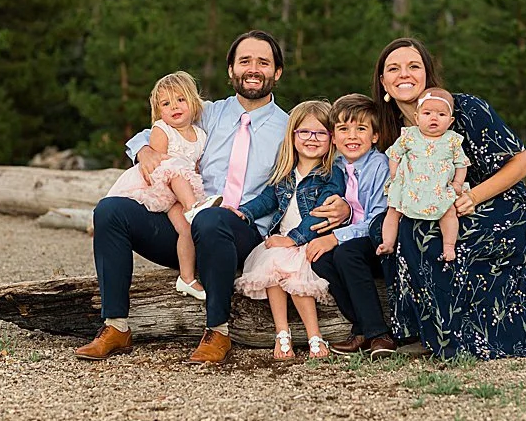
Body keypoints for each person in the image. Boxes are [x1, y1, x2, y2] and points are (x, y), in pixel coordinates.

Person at [79, 31, 349, 365]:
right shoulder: (208, 113)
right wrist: (143, 150)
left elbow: (327, 160)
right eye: (245, 61)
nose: (253, 69)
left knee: (212, 217)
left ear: (277, 72)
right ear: (231, 71)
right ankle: (115, 325)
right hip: (185, 232)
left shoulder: (288, 126)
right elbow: (157, 128)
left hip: (244, 236)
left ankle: (217, 331)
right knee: (110, 211)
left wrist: (344, 204)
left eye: (263, 62)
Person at [373, 38, 526, 359]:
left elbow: (525, 162)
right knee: (382, 230)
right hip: (434, 210)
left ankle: (456, 339)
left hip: (499, 208)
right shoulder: (392, 130)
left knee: (425, 233)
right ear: (383, 81)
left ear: (428, 74)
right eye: (393, 69)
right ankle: (416, 330)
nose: (404, 74)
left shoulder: (464, 110)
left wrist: (473, 196)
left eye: (414, 66)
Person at [235, 100, 344, 360]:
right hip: (281, 241)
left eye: (320, 133)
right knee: (272, 266)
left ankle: (314, 335)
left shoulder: (331, 174)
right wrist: (243, 212)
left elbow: (320, 214)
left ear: (331, 139)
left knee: (296, 279)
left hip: (308, 241)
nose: (312, 139)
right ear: (293, 135)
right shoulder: (285, 172)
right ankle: (282, 334)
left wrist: (293, 239)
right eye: (304, 132)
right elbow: (267, 200)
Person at [100, 73, 207, 299]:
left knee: (186, 229)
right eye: (166, 104)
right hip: (159, 186)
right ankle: (194, 206)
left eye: (180, 100)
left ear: (194, 103)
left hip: (178, 196)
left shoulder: (200, 135)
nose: (174, 107)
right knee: (174, 168)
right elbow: (158, 165)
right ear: (159, 111)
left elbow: (196, 168)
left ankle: (186, 278)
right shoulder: (162, 129)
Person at [315, 93, 395, 355]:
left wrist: (337, 237)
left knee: (346, 252)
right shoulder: (332, 165)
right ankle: (360, 328)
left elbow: (378, 219)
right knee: (321, 259)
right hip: (348, 244)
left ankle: (379, 333)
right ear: (333, 136)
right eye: (343, 129)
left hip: (379, 242)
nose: (352, 136)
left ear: (374, 136)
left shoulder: (379, 165)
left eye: (361, 129)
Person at [379, 88, 469, 263]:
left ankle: (449, 245)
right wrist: (395, 174)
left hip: (439, 187)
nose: (434, 118)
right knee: (393, 210)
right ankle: (388, 242)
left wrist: (458, 183)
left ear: (450, 121)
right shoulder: (409, 136)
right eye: (427, 113)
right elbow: (394, 155)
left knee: (448, 212)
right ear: (417, 117)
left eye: (441, 114)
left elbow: (461, 164)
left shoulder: (452, 140)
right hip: (409, 185)